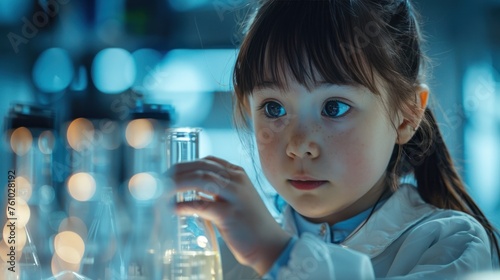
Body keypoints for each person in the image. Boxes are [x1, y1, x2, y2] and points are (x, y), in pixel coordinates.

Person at [170, 0, 500, 278]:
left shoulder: (452, 244)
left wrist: (279, 255)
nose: (298, 144)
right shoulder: (219, 251)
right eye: (273, 108)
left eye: (334, 107)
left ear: (407, 115)